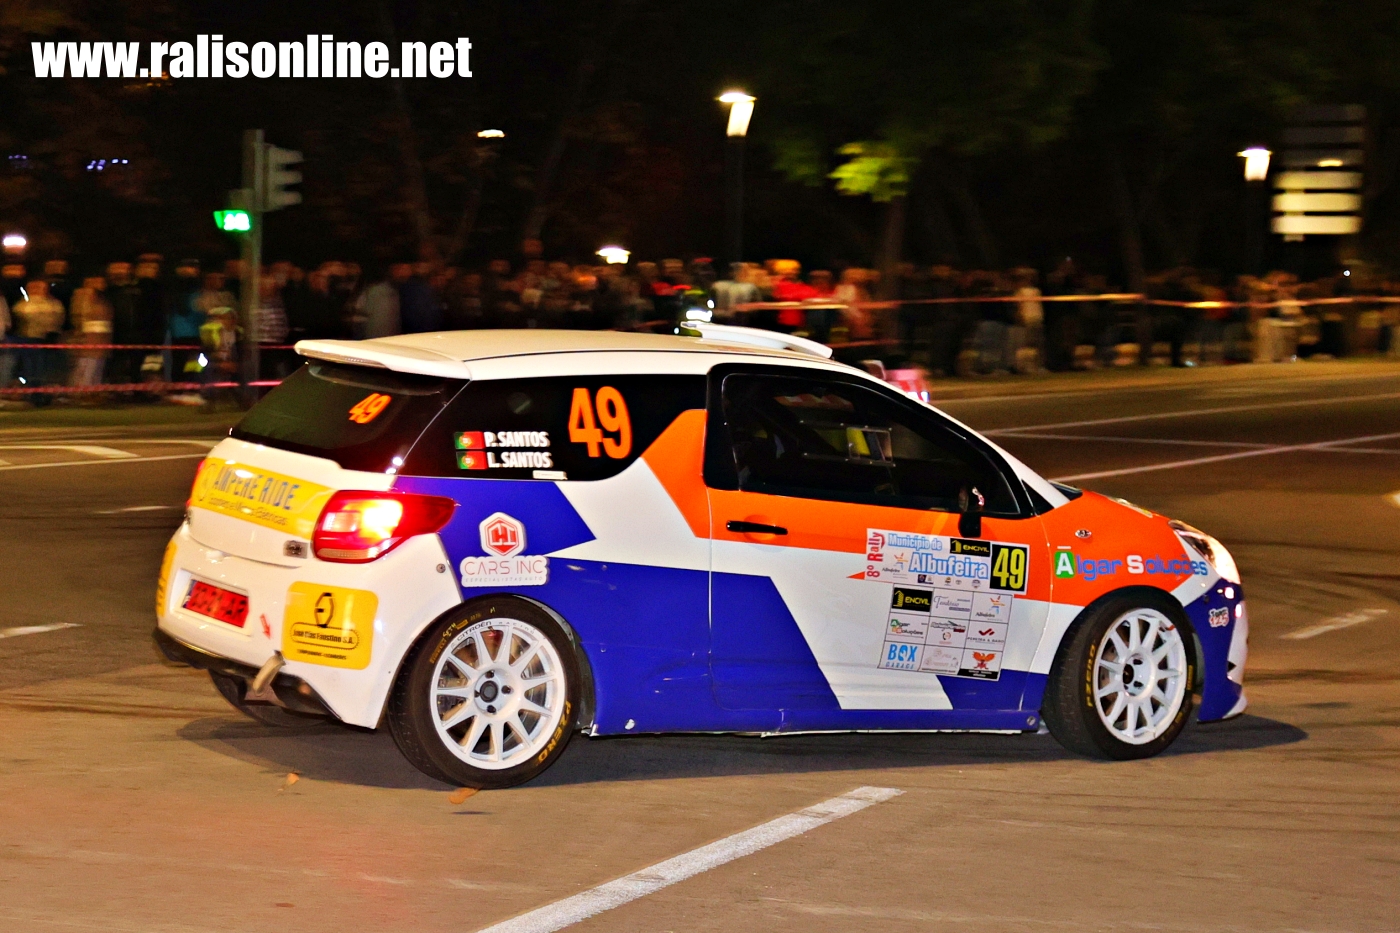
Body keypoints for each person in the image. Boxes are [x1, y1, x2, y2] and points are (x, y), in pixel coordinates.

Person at [12, 279, 65, 399]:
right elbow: (21, 314)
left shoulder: (53, 304)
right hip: (26, 339)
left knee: (42, 368)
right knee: (29, 367)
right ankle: (31, 391)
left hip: (45, 341)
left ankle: (40, 393)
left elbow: (55, 320)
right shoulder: (24, 303)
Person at [68, 276, 114, 391]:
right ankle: (81, 391)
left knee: (97, 366)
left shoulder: (104, 299)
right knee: (86, 366)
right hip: (88, 340)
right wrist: (80, 336)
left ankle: (93, 390)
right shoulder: (83, 298)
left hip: (102, 340)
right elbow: (78, 318)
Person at [353, 267, 401, 338]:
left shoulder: (373, 290)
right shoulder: (393, 290)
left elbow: (366, 309)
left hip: (376, 331)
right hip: (390, 332)